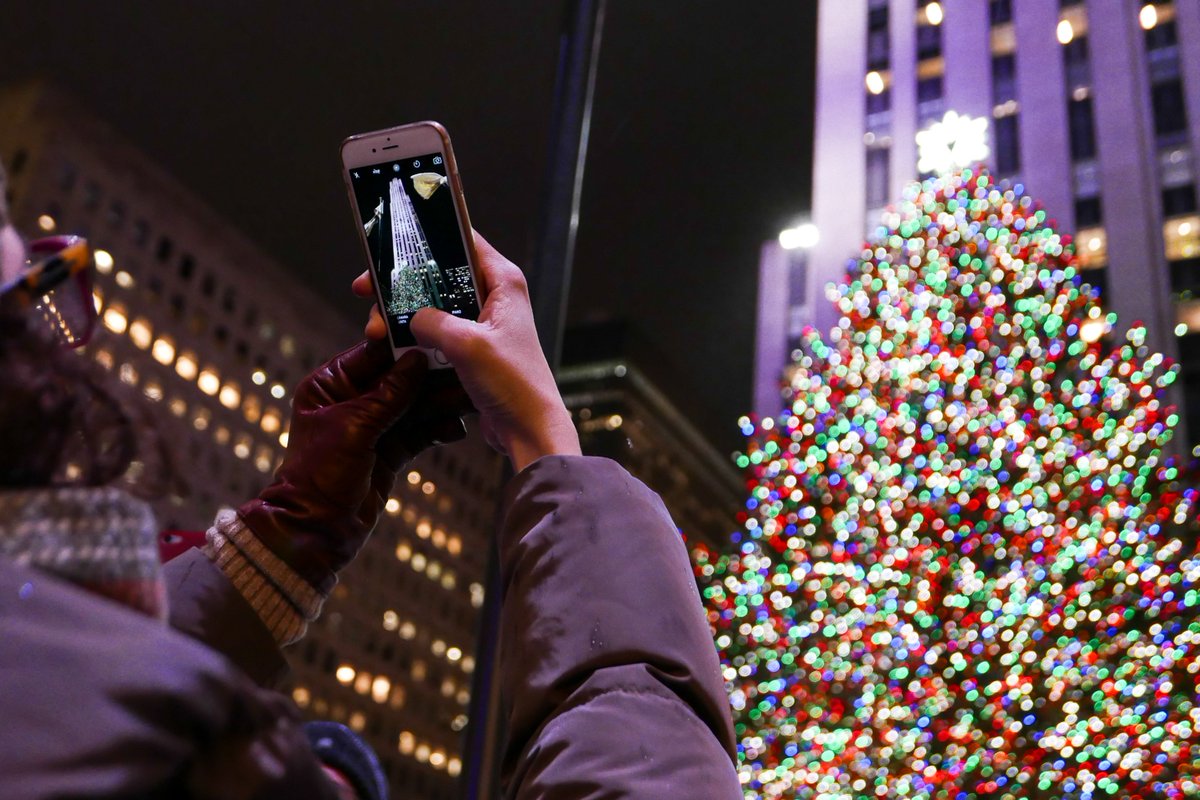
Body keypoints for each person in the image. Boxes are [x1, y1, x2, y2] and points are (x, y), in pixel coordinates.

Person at [0, 156, 741, 797]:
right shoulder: (204, 754)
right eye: (33, 298)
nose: (60, 362)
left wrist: (285, 538)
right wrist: (549, 446)